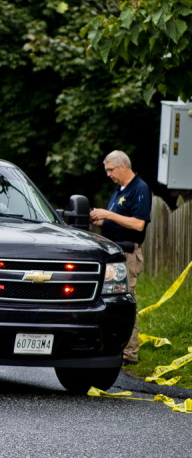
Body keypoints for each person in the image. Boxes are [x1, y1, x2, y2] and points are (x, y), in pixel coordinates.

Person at [90, 150, 152, 364]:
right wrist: (102, 222)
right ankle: (113, 347)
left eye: (110, 169)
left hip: (128, 253)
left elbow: (138, 223)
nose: (108, 174)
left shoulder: (140, 189)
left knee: (126, 300)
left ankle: (130, 354)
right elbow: (118, 221)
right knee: (110, 301)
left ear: (123, 166)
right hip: (113, 254)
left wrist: (108, 215)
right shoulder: (119, 190)